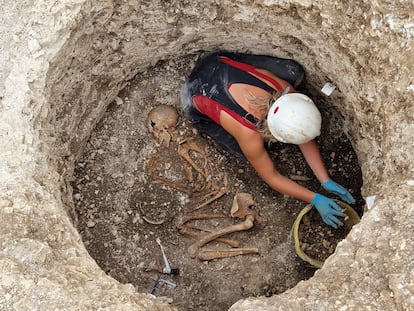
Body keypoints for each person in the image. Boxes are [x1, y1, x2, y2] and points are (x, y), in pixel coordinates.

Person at [181, 50, 355, 228]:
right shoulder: (249, 135)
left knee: (294, 72)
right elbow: (271, 177)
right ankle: (202, 117)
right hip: (194, 93)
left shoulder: (284, 90)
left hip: (217, 63)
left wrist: (325, 179)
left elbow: (301, 131)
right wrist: (315, 198)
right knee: (243, 152)